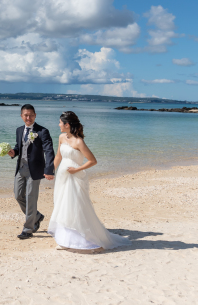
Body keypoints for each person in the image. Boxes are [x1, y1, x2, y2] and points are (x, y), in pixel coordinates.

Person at [48, 111, 130, 250]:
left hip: (75, 177)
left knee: (75, 206)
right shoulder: (62, 137)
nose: (59, 124)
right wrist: (51, 171)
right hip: (62, 177)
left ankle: (81, 239)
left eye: (60, 123)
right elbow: (58, 157)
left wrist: (76, 170)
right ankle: (64, 239)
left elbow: (93, 161)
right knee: (62, 204)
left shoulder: (79, 141)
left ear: (67, 124)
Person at [7, 104, 55, 239]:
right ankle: (37, 216)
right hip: (21, 169)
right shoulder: (19, 130)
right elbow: (18, 147)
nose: (28, 118)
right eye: (25, 115)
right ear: (21, 116)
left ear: (35, 115)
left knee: (31, 198)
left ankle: (28, 229)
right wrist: (13, 152)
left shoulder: (43, 131)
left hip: (35, 170)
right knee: (18, 196)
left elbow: (49, 151)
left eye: (31, 115)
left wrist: (49, 169)